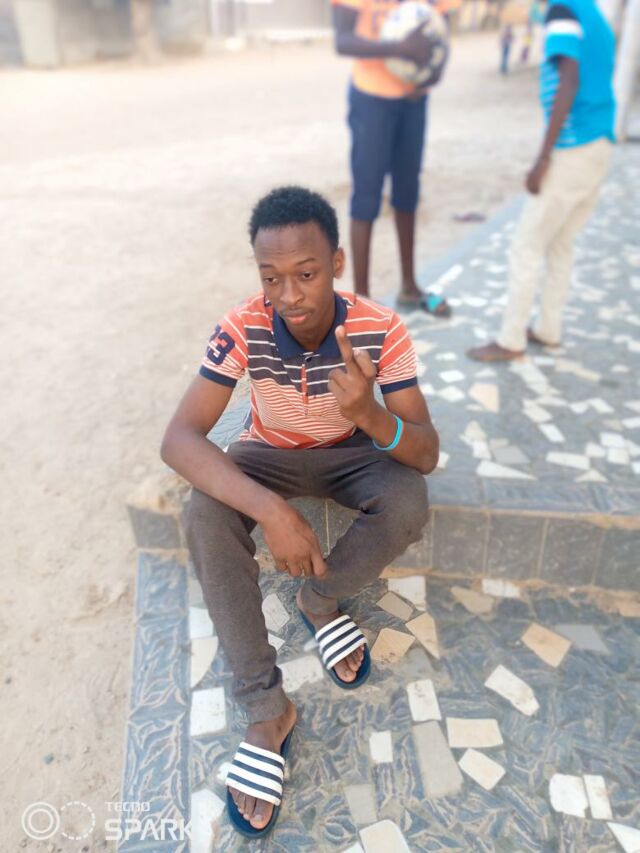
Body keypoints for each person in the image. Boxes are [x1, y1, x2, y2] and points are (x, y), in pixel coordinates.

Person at [161, 186, 439, 837]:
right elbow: (179, 438)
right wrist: (273, 512)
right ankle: (267, 710)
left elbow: (424, 452)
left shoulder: (379, 327)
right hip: (270, 454)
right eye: (271, 277)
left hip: (351, 451)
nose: (288, 294)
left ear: (337, 262)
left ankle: (319, 600)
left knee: (407, 501)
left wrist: (368, 413)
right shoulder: (243, 326)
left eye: (307, 274)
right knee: (205, 513)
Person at [468, 0, 615, 362]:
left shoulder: (563, 10)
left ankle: (511, 340)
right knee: (561, 243)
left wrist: (543, 157)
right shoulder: (595, 15)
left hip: (573, 145)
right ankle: (549, 328)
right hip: (599, 142)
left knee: (527, 244)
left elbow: (569, 79)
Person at [331, 0, 451, 317]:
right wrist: (400, 48)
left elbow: (441, 33)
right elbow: (342, 40)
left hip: (413, 99)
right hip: (371, 97)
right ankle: (362, 303)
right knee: (366, 196)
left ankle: (409, 287)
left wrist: (430, 75)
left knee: (408, 191)